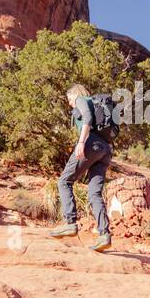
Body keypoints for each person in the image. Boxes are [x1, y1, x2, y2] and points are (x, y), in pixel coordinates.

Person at [48, 83, 113, 251]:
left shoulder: (81, 99)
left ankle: (70, 223)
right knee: (94, 193)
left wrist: (81, 142)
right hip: (105, 149)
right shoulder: (95, 102)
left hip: (90, 144)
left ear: (74, 94)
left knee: (64, 182)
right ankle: (104, 234)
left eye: (69, 99)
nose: (69, 103)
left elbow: (87, 118)